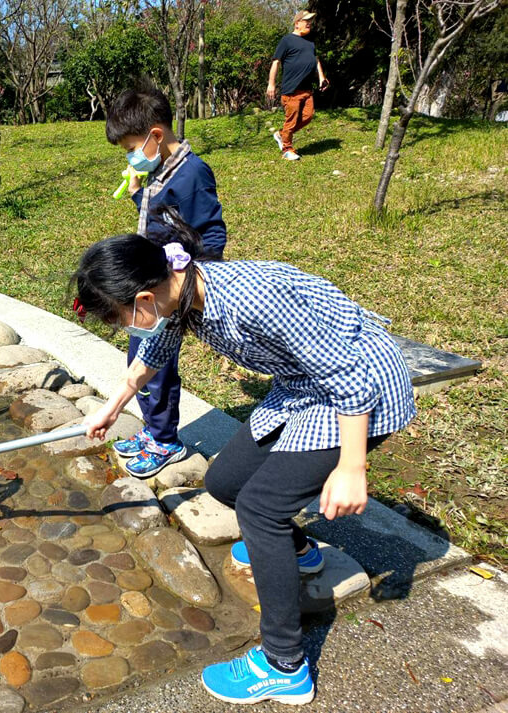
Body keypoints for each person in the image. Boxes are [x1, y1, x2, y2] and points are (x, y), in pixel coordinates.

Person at [76, 206, 416, 706]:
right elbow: (155, 351)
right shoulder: (182, 293)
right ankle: (297, 552)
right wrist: (112, 407)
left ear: (144, 298)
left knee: (260, 508)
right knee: (225, 483)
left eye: (119, 317)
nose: (122, 326)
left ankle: (285, 665)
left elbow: (347, 375)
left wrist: (351, 466)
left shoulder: (253, 302)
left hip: (361, 394)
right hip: (302, 387)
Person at [103, 82, 227, 478]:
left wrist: (184, 278)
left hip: (170, 292)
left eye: (131, 148)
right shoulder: (158, 168)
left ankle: (166, 440)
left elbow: (212, 233)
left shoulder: (193, 174)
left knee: (156, 365)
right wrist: (139, 191)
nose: (131, 156)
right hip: (149, 287)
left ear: (156, 135)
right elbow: (161, 215)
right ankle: (154, 430)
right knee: (138, 360)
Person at [267, 10, 328, 160]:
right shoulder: (287, 40)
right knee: (291, 120)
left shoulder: (310, 41)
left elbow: (316, 59)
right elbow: (276, 62)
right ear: (297, 23)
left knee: (308, 116)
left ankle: (281, 135)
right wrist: (271, 84)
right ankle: (287, 150)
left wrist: (321, 77)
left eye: (310, 21)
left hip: (307, 89)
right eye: (306, 21)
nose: (309, 23)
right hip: (291, 90)